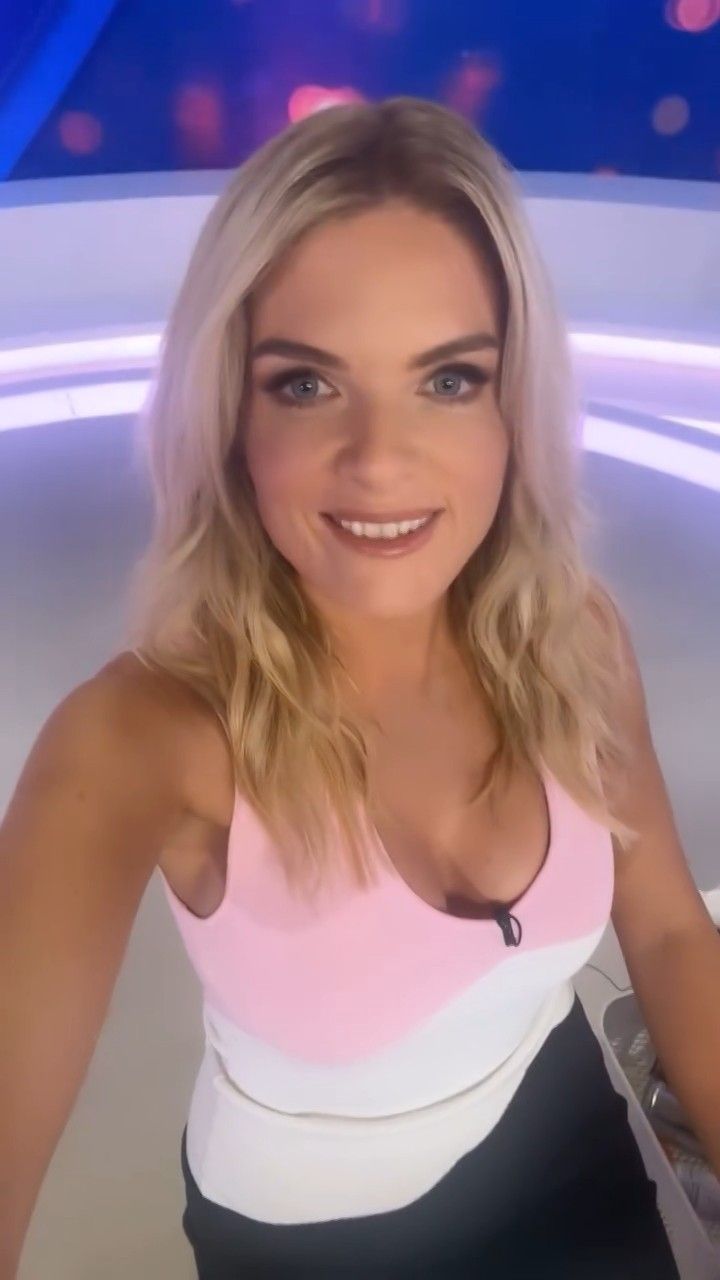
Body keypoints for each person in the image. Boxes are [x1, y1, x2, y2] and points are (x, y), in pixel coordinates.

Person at [2, 95, 697, 1278]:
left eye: (450, 379)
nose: (379, 459)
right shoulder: (139, 737)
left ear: (514, 405)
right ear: (229, 411)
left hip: (567, 1135)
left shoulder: (574, 638)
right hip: (310, 1243)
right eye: (307, 385)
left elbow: (673, 932)